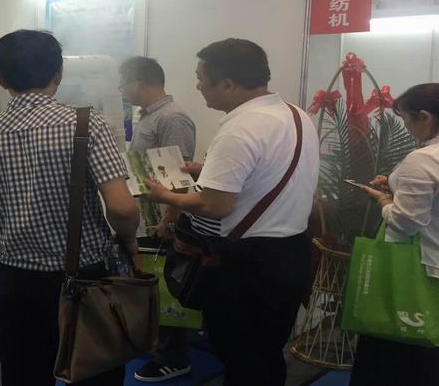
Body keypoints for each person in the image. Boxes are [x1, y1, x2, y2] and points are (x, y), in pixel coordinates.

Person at [0, 30, 140, 386]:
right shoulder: (88, 125)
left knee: (23, 377)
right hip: (85, 280)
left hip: (15, 284)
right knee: (96, 375)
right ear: (59, 73)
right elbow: (122, 208)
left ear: (1, 80)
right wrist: (128, 242)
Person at [143, 38, 319, 385]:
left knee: (240, 354)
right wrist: (207, 172)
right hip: (292, 253)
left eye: (201, 78)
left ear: (226, 84)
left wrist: (166, 196)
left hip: (249, 265)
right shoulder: (295, 115)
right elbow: (266, 175)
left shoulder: (239, 129)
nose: (197, 86)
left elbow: (216, 205)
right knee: (267, 353)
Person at [353, 83, 439, 385]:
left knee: (398, 359)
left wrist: (383, 200)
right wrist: (395, 185)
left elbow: (405, 222)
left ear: (425, 117)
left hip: (415, 270)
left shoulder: (424, 159)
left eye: (405, 118)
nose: (405, 126)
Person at [119, 56, 196, 382]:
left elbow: (178, 175)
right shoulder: (149, 116)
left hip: (162, 220)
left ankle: (173, 356)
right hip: (146, 218)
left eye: (123, 83)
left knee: (166, 287)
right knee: (151, 284)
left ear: (137, 82)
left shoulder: (173, 118)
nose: (121, 90)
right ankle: (156, 345)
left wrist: (171, 220)